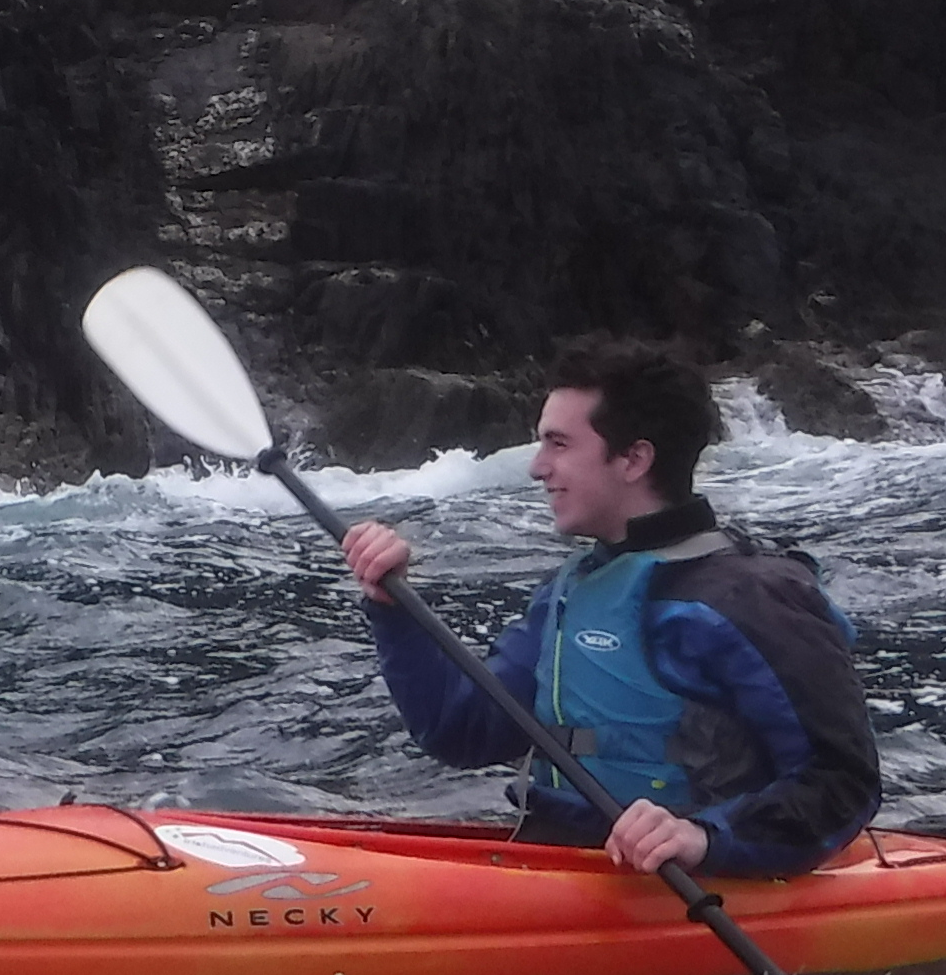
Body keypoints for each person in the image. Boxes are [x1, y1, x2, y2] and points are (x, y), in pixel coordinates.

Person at [341, 338, 878, 877]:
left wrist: (702, 838)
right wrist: (394, 607)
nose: (536, 467)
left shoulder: (752, 599)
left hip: (686, 886)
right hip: (558, 861)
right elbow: (458, 730)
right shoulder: (575, 588)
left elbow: (841, 782)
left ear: (633, 459)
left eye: (558, 444)